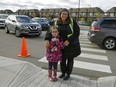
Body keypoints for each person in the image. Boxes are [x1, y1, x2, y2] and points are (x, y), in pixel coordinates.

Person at [45, 8, 81, 80]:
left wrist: (69, 40)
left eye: (65, 14)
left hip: (72, 45)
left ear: (68, 15)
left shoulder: (72, 21)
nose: (64, 15)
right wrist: (47, 39)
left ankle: (68, 74)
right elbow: (50, 31)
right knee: (62, 60)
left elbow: (77, 32)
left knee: (70, 60)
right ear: (60, 14)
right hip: (61, 45)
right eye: (62, 13)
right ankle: (63, 73)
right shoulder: (56, 22)